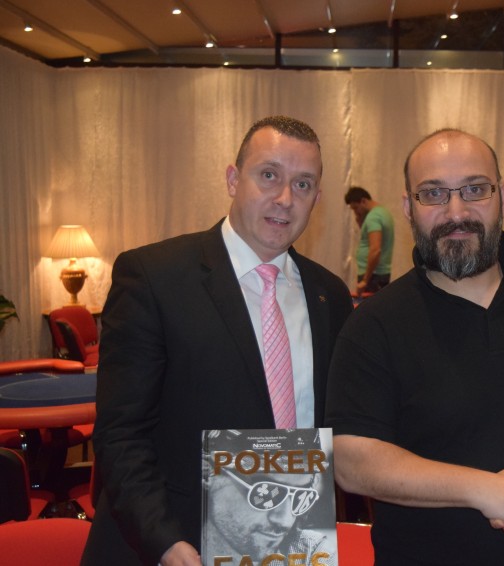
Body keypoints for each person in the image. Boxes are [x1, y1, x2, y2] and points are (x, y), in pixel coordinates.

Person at [325, 128, 504, 565]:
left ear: (502, 196)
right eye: (433, 194)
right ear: (408, 207)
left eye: (475, 189)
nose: (457, 211)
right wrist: (484, 490)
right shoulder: (375, 323)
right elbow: (352, 459)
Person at [82, 115, 353, 566]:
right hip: (171, 545)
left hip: (289, 544)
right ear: (233, 179)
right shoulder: (153, 277)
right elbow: (121, 433)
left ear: (317, 199)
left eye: (303, 184)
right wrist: (165, 543)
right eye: (269, 175)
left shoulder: (330, 296)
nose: (285, 198)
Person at [202, 429, 337, 566]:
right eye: (266, 494)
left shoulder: (312, 551)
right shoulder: (188, 548)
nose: (285, 521)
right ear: (208, 474)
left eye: (301, 498)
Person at [344, 186, 395, 294]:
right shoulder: (383, 212)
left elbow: (375, 249)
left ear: (363, 201)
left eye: (356, 208)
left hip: (373, 276)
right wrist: (360, 220)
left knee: (370, 305)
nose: (355, 212)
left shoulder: (373, 217)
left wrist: (365, 280)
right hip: (379, 274)